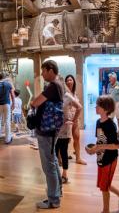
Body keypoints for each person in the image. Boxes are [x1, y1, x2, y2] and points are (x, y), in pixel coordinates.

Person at [86, 95, 119, 213]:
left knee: (104, 187)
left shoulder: (111, 125)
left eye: (98, 106)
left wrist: (100, 147)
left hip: (110, 160)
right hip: (101, 158)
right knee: (104, 185)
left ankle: (106, 210)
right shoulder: (98, 122)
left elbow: (118, 145)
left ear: (105, 109)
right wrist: (93, 150)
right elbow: (100, 141)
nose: (95, 107)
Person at [31, 60, 64, 209]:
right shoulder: (57, 85)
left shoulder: (53, 86)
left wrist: (33, 102)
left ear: (50, 70)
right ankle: (57, 192)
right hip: (51, 129)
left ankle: (53, 200)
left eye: (43, 71)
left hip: (47, 130)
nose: (42, 75)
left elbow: (36, 102)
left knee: (48, 166)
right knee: (53, 161)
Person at [55, 80, 82, 184]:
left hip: (64, 129)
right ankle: (57, 174)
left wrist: (73, 120)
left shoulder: (67, 96)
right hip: (54, 129)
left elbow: (79, 107)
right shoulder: (53, 96)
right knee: (55, 151)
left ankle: (65, 174)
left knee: (63, 151)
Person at [65, 74, 86, 165]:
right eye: (68, 80)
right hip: (68, 120)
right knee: (66, 140)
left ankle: (78, 158)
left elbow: (78, 107)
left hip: (75, 119)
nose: (69, 81)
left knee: (77, 138)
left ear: (74, 82)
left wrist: (76, 119)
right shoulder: (65, 94)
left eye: (71, 80)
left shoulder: (75, 94)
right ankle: (62, 157)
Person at [0, 72, 15, 143]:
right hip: (6, 104)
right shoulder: (8, 84)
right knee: (7, 121)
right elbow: (12, 94)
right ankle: (7, 139)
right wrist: (13, 103)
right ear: (4, 77)